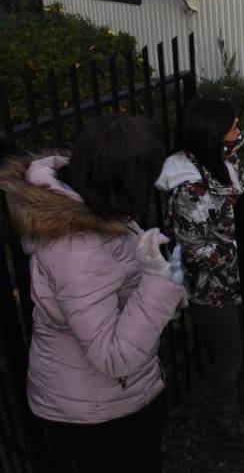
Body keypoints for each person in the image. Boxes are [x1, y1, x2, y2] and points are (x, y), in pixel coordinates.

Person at [0, 115, 187, 473]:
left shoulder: (90, 203)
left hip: (100, 400)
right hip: (97, 415)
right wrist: (159, 283)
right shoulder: (79, 249)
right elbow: (113, 356)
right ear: (125, 182)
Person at [155, 98, 244, 443]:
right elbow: (195, 250)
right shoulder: (188, 187)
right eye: (232, 128)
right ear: (211, 135)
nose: (239, 133)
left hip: (243, 278)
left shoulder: (228, 161)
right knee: (228, 357)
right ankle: (226, 420)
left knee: (243, 347)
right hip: (212, 290)